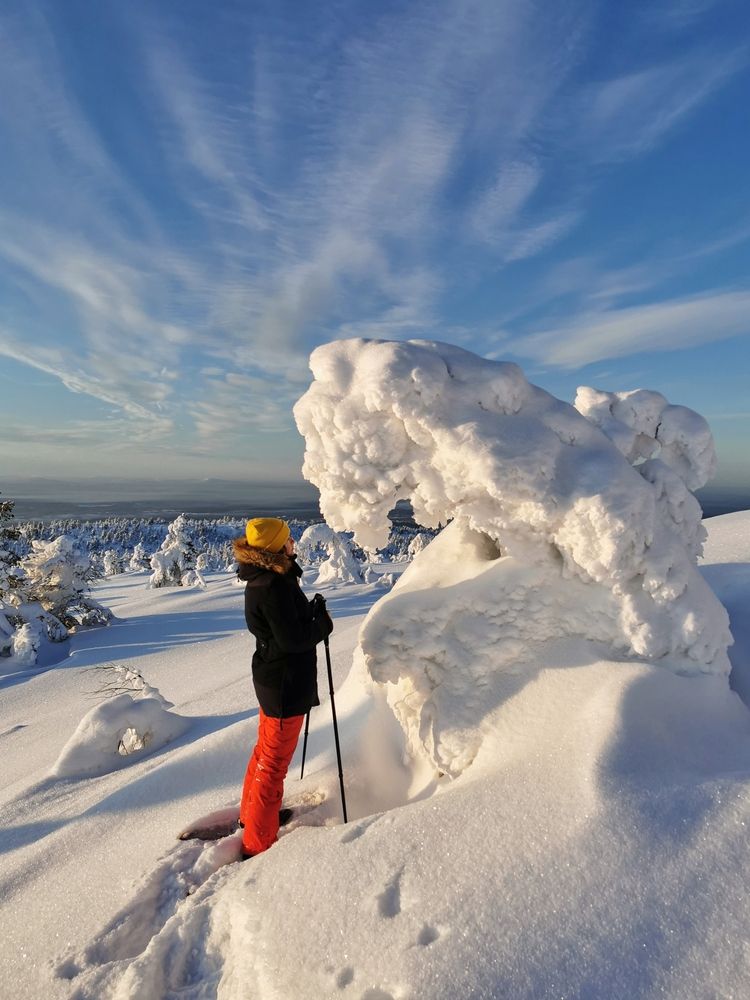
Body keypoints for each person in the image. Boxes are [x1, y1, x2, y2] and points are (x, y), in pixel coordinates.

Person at [234, 516, 333, 858]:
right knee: (273, 764)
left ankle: (252, 820)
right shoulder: (273, 586)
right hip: (285, 684)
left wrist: (309, 611)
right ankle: (258, 842)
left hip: (274, 679)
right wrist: (321, 625)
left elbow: (283, 626)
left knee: (264, 753)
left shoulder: (267, 579)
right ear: (276, 546)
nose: (293, 544)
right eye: (288, 540)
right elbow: (292, 640)